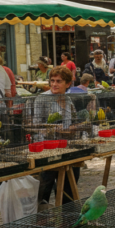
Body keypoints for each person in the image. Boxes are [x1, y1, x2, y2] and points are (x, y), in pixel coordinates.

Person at [36, 66, 81, 204]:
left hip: (68, 147)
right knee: (45, 188)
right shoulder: (42, 99)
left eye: (59, 81)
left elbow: (72, 120)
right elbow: (34, 124)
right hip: (48, 149)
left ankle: (66, 218)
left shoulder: (68, 99)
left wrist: (75, 128)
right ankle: (41, 217)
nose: (54, 84)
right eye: (52, 80)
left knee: (69, 187)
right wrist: (54, 129)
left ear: (68, 84)